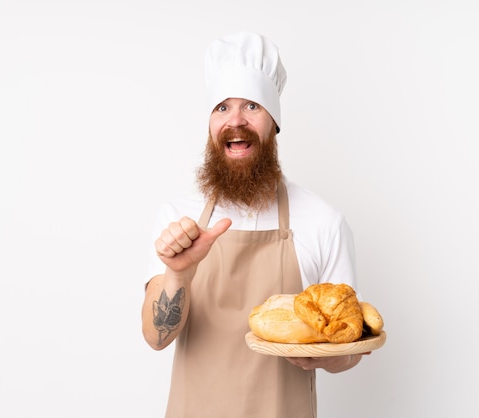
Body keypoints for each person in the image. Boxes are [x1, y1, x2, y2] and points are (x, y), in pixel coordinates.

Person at [141, 32, 365, 418]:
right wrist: (179, 272)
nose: (236, 120)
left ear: (274, 124)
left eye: (252, 105)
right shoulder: (178, 221)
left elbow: (351, 346)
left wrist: (323, 358)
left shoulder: (322, 221)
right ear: (211, 126)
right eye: (222, 107)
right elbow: (156, 338)